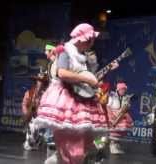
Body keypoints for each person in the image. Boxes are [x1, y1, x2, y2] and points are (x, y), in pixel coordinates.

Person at [35, 23, 110, 164]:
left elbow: (85, 75)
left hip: (81, 98)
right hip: (67, 98)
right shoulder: (65, 51)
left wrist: (93, 83)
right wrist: (85, 78)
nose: (91, 44)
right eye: (90, 40)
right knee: (72, 141)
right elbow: (62, 73)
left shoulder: (83, 56)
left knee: (84, 140)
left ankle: (59, 159)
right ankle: (61, 158)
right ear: (81, 39)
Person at [22, 72, 48, 151]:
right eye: (39, 81)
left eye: (42, 81)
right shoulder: (30, 92)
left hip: (42, 118)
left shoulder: (47, 94)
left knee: (43, 134)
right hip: (32, 117)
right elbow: (24, 104)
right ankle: (30, 142)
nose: (40, 83)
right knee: (31, 129)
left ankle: (40, 142)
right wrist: (26, 113)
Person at [106, 80, 133, 154]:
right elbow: (108, 106)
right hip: (112, 114)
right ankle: (111, 145)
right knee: (111, 130)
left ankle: (115, 144)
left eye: (124, 89)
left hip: (121, 115)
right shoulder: (112, 96)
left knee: (121, 129)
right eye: (122, 89)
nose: (123, 91)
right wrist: (111, 115)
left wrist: (126, 106)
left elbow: (125, 108)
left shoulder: (125, 97)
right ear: (118, 89)